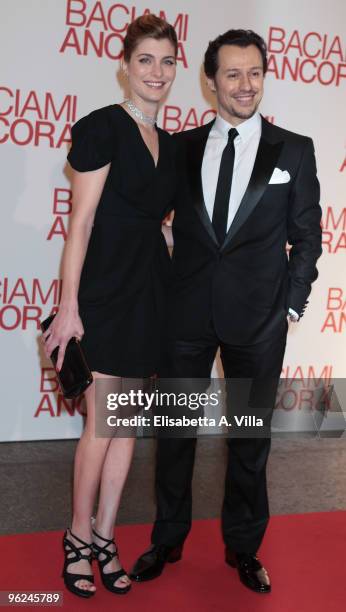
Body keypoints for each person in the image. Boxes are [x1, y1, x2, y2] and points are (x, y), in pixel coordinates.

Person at [131, 29, 322, 593]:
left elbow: (307, 237)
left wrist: (289, 304)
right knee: (174, 435)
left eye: (254, 72)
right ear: (210, 79)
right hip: (184, 315)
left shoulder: (294, 148)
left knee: (249, 439)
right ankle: (167, 538)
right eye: (233, 73)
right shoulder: (180, 147)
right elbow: (145, 221)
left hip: (259, 320)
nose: (245, 85)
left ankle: (244, 547)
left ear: (265, 75)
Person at [42, 14, 178, 598]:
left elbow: (159, 224)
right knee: (102, 423)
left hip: (152, 290)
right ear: (125, 65)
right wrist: (69, 308)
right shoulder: (103, 127)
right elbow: (80, 225)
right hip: (105, 291)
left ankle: (105, 533)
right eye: (145, 59)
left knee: (128, 427)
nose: (156, 71)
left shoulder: (169, 145)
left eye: (167, 61)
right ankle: (76, 536)